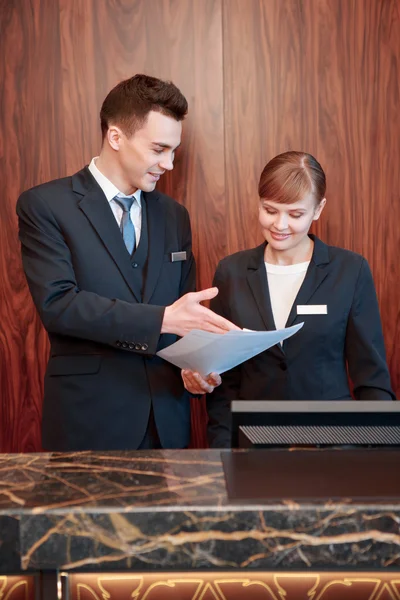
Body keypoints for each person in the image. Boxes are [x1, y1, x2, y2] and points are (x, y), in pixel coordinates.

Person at [17, 74, 238, 452]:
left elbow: (185, 315)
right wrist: (162, 319)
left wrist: (194, 369)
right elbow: (59, 305)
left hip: (167, 422)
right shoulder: (46, 206)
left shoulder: (175, 216)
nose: (168, 164)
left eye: (174, 151)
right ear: (115, 137)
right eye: (158, 149)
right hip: (87, 421)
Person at [182, 151, 395, 447]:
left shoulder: (350, 270)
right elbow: (225, 383)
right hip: (252, 447)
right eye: (270, 210)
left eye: (295, 214)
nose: (280, 225)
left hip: (333, 447)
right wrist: (221, 452)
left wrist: (376, 457)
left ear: (318, 209)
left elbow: (372, 378)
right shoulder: (232, 272)